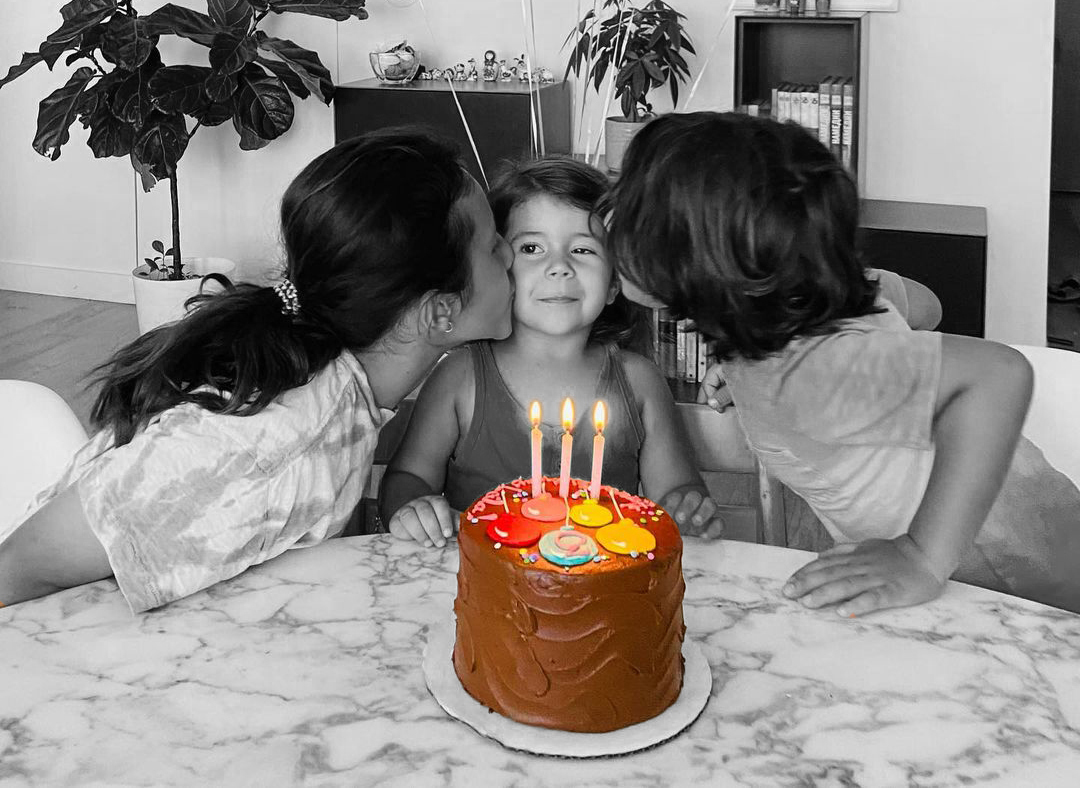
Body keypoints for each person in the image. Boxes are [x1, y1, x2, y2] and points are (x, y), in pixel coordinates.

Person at [0, 129, 514, 612]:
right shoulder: (274, 446)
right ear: (440, 312)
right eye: (494, 246)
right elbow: (16, 569)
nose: (512, 254)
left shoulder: (338, 388)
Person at [607, 111, 1080, 615]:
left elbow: (999, 375)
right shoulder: (810, 308)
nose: (611, 210)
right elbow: (927, 305)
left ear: (692, 259)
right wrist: (750, 355)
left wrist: (921, 556)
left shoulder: (808, 377)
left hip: (1006, 574)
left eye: (631, 202)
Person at [379, 157, 724, 547]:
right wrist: (413, 508)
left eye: (582, 250)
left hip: (600, 595)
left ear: (615, 283)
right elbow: (408, 477)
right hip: (478, 591)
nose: (559, 266)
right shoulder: (459, 378)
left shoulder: (639, 381)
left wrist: (687, 508)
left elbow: (676, 492)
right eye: (531, 247)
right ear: (498, 267)